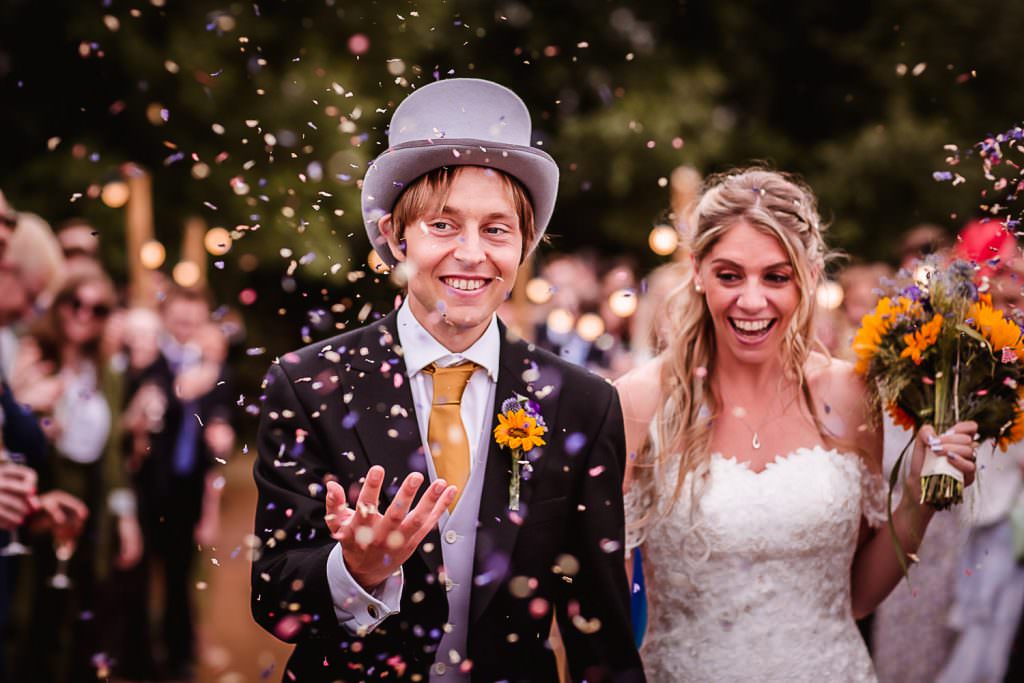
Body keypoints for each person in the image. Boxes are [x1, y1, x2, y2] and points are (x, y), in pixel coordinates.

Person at [252, 78, 643, 682]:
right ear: (394, 236)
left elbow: (601, 629)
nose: (471, 253)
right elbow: (272, 593)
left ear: (523, 245)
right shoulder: (308, 384)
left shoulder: (582, 403)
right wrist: (355, 571)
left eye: (496, 229)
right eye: (442, 225)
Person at [616, 167, 978, 681]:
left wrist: (917, 501)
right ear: (696, 270)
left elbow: (856, 598)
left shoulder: (852, 395)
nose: (752, 301)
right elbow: (605, 603)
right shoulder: (640, 401)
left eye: (776, 276)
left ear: (809, 275)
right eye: (729, 275)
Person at [13, 266, 140, 683]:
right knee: (36, 615)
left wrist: (126, 517)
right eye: (76, 303)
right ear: (60, 303)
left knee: (89, 611)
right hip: (40, 504)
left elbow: (114, 459)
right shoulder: (31, 357)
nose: (84, 314)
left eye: (97, 308)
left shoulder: (107, 371)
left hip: (93, 504)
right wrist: (37, 418)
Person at [126, 285, 233, 680]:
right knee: (136, 575)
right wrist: (182, 391)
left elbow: (222, 414)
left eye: (194, 316)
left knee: (180, 576)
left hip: (189, 487)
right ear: (167, 316)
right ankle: (137, 657)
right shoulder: (145, 358)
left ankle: (179, 659)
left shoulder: (216, 366)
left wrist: (221, 431)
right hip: (145, 486)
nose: (187, 323)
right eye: (180, 316)